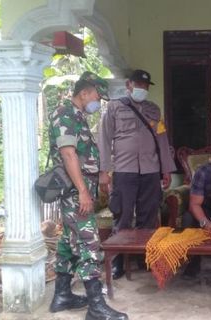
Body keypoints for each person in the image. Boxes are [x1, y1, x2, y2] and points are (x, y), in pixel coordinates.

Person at [48, 71, 128, 320]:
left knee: (67, 245)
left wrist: (99, 176)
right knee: (90, 244)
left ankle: (62, 295)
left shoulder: (77, 115)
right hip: (75, 193)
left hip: (81, 189)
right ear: (84, 93)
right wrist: (83, 191)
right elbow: (68, 155)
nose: (99, 101)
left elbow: (82, 155)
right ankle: (96, 306)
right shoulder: (65, 114)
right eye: (97, 96)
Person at [98, 69, 176, 279]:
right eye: (139, 84)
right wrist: (104, 171)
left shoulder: (153, 110)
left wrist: (165, 169)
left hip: (150, 170)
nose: (142, 88)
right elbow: (104, 140)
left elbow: (162, 139)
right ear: (129, 85)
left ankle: (144, 258)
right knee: (122, 216)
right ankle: (118, 262)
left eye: (145, 86)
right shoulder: (114, 107)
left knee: (148, 216)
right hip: (124, 170)